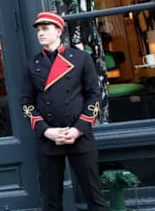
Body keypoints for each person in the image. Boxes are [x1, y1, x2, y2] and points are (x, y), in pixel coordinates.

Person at [20, 11, 108, 211]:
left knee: (95, 198)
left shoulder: (81, 58)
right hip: (48, 139)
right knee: (51, 202)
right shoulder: (31, 65)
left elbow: (94, 96)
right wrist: (45, 130)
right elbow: (26, 103)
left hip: (79, 135)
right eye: (38, 30)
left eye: (45, 29)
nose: (40, 33)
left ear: (58, 31)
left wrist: (79, 129)